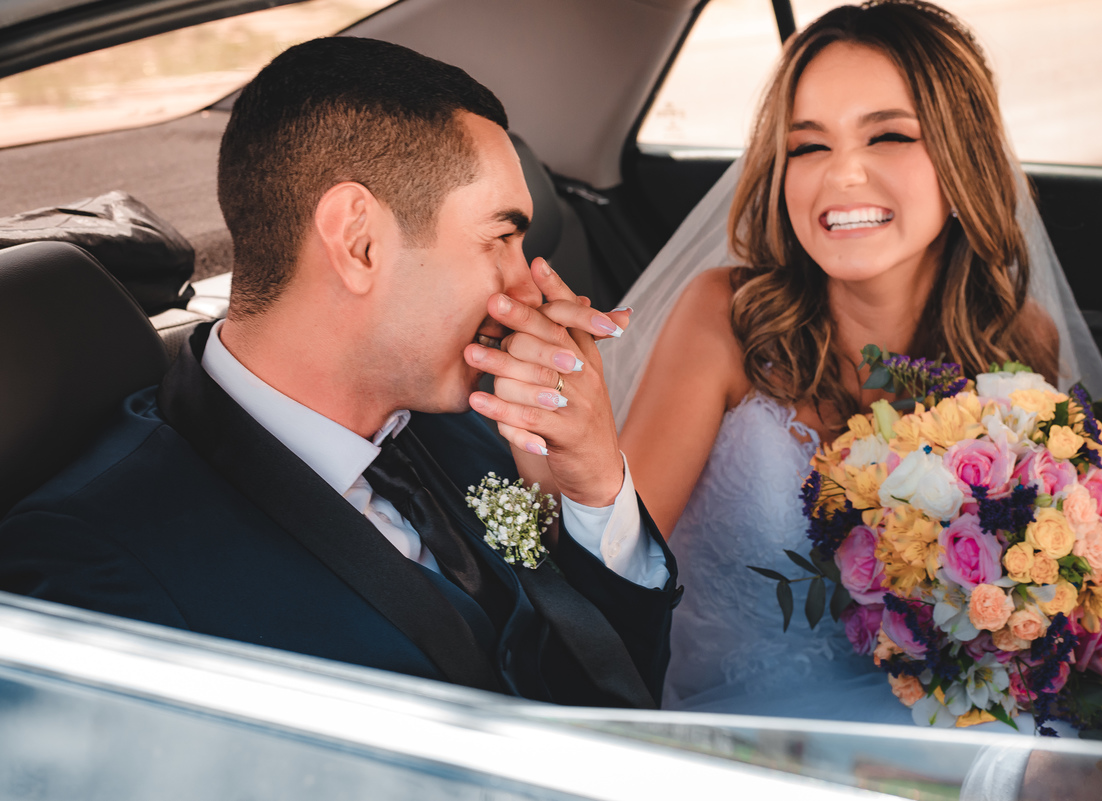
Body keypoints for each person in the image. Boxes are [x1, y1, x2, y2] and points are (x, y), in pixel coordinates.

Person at [0, 37, 677, 709]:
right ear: (359, 241)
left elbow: (613, 693)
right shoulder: (94, 572)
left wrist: (590, 488)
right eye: (500, 238)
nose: (528, 290)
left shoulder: (480, 427)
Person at [603, 0, 1102, 742]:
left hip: (950, 726)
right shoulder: (725, 318)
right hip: (745, 736)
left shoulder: (1017, 339)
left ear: (961, 157)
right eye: (807, 146)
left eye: (888, 134)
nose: (842, 174)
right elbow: (611, 558)